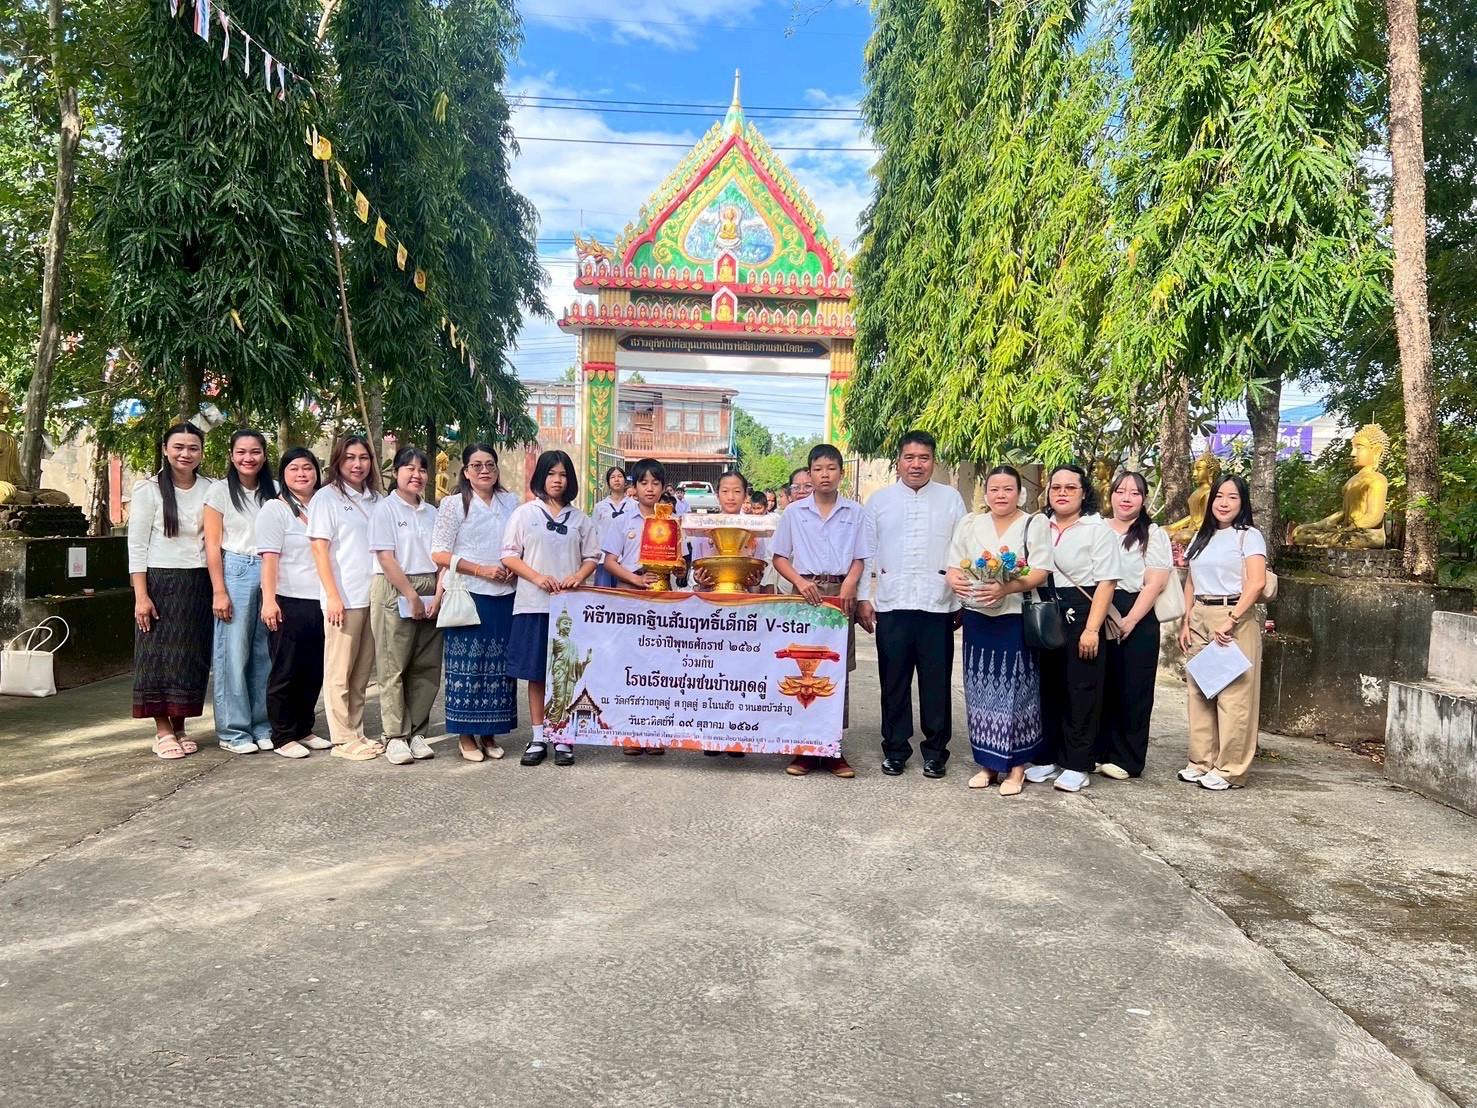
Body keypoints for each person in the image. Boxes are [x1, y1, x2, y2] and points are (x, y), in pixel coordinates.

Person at [858, 431, 967, 779]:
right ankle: (895, 749)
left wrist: (962, 599)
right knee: (893, 682)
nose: (916, 464)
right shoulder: (880, 501)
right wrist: (864, 598)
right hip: (892, 603)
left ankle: (936, 752)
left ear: (933, 461)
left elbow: (962, 553)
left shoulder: (951, 500)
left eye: (923, 458)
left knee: (936, 683)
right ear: (899, 461)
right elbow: (867, 552)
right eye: (909, 457)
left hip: (938, 604)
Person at [945, 465, 1052, 795]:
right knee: (980, 689)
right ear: (986, 493)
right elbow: (953, 565)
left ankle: (1016, 768)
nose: (1001, 495)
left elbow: (1041, 572)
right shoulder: (970, 523)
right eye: (995, 489)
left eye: (1008, 489)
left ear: (1019, 492)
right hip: (978, 617)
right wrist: (954, 580)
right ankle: (988, 764)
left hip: (1015, 617)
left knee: (1017, 692)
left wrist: (1006, 589)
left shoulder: (1034, 523)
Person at [771, 444, 870, 779]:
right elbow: (780, 557)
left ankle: (832, 750)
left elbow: (860, 556)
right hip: (806, 596)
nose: (824, 474)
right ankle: (804, 749)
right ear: (809, 474)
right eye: (818, 468)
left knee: (835, 670)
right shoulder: (794, 513)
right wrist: (799, 582)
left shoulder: (855, 513)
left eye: (831, 468)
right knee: (803, 664)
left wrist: (851, 585)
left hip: (839, 596)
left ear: (841, 473)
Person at [501, 450, 600, 768]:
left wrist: (578, 576)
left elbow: (592, 556)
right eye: (551, 474)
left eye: (563, 475)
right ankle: (539, 736)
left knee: (567, 675)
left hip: (568, 609)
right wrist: (537, 577)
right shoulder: (525, 514)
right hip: (532, 604)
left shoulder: (580, 519)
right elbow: (509, 555)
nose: (557, 480)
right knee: (536, 673)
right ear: (541, 477)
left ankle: (564, 738)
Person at [1025, 464, 1120, 794]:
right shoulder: (1038, 526)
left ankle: (1078, 763)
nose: (1062, 493)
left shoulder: (1097, 530)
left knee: (1080, 689)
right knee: (1047, 687)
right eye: (1056, 488)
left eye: (1070, 488)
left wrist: (1092, 629)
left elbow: (1107, 583)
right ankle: (1047, 756)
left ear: (1084, 493)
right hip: (1045, 610)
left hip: (1082, 612)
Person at [129, 423, 214, 759]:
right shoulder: (148, 489)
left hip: (199, 581)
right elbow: (136, 545)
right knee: (158, 657)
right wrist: (141, 595)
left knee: (191, 657)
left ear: (201, 453)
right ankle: (162, 730)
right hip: (159, 581)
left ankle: (180, 727)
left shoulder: (211, 488)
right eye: (178, 447)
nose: (185, 454)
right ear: (165, 449)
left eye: (193, 448)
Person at [431, 443, 521, 762]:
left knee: (498, 669)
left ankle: (489, 733)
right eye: (477, 465)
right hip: (469, 594)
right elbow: (439, 553)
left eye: (490, 465)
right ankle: (466, 735)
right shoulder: (454, 505)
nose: (485, 470)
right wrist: (481, 569)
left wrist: (514, 566)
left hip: (505, 596)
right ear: (466, 472)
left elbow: (519, 543)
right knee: (468, 667)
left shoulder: (511, 502)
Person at [1178, 475, 1268, 790]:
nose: (1224, 503)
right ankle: (1201, 761)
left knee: (1234, 696)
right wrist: (1186, 619)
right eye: (1219, 496)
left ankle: (1230, 769)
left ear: (1242, 502)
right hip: (1201, 615)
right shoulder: (1201, 537)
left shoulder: (1249, 536)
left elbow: (1256, 582)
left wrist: (1232, 619)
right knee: (1199, 690)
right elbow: (1190, 581)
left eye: (1232, 497)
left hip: (1234, 616)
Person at [308, 435, 384, 762]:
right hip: (344, 597)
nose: (357, 464)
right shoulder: (326, 498)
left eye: (364, 457)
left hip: (374, 596)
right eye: (350, 457)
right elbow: (319, 550)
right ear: (338, 461)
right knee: (339, 671)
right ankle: (341, 739)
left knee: (362, 673)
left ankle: (356, 731)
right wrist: (333, 596)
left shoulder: (378, 499)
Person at [369, 446, 444, 766]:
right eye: (409, 468)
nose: (416, 474)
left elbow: (443, 558)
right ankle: (395, 736)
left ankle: (416, 732)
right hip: (396, 587)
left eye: (422, 469)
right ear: (395, 473)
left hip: (432, 587)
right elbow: (385, 557)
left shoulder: (433, 513)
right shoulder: (385, 510)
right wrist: (410, 595)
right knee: (393, 665)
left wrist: (438, 595)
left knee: (426, 666)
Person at [1095, 471, 1173, 779]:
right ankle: (1098, 751)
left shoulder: (1153, 534)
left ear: (1143, 500)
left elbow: (1155, 583)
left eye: (1135, 493)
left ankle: (1127, 758)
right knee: (1100, 683)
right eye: (1121, 491)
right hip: (1099, 608)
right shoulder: (1096, 529)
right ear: (1111, 495)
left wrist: (1130, 620)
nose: (1126, 498)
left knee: (1134, 687)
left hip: (1137, 612)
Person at [204, 429, 277, 755]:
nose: (249, 458)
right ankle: (233, 731)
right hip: (235, 571)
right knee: (233, 654)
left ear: (264, 455)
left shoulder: (274, 490)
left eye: (256, 452)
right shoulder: (219, 492)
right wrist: (219, 591)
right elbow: (212, 545)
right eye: (242, 452)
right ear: (232, 456)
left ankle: (262, 724)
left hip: (270, 572)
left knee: (264, 654)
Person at [257, 448, 332, 759]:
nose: (302, 474)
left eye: (308, 468)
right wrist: (269, 601)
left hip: (322, 599)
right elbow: (269, 560)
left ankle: (304, 728)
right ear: (283, 475)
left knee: (313, 669)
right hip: (288, 599)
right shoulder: (275, 510)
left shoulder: (326, 505)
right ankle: (283, 734)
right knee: (286, 669)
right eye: (294, 469)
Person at [592, 466, 631, 588]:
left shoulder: (635, 506)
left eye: (620, 476)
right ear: (608, 482)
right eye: (613, 477)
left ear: (625, 481)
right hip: (604, 560)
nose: (617, 480)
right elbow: (594, 533)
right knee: (603, 598)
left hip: (627, 561)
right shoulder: (600, 507)